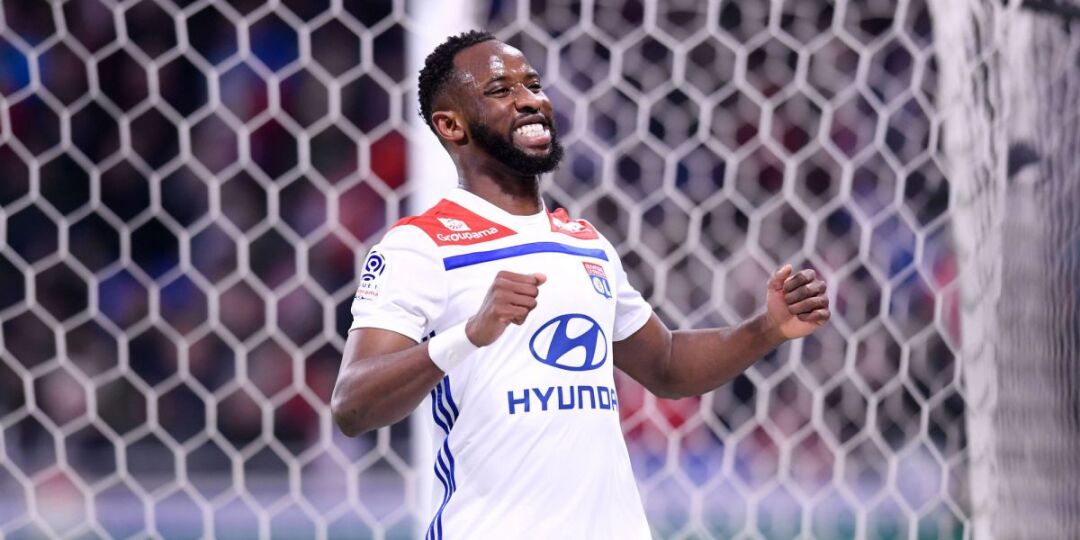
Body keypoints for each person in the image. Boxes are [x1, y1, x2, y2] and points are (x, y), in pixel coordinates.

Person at [331, 30, 830, 539]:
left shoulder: (585, 242)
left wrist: (768, 328)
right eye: (501, 90)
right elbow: (352, 404)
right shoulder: (420, 245)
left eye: (533, 85)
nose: (529, 100)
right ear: (451, 125)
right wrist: (468, 335)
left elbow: (667, 365)